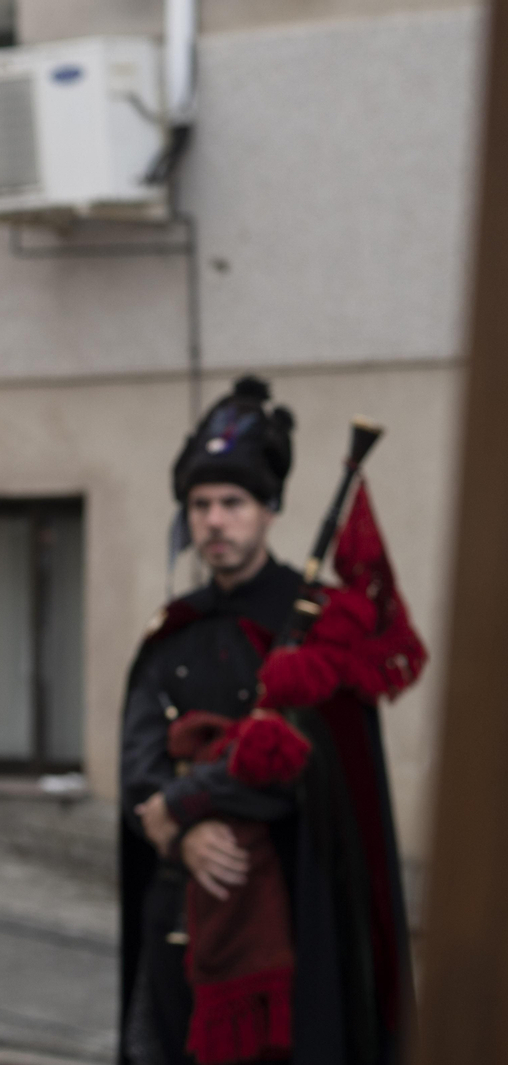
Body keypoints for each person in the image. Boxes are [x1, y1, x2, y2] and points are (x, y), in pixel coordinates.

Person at [119, 376, 423, 1065]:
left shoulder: (318, 624)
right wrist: (180, 831)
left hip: (295, 913)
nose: (215, 520)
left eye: (233, 503)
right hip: (180, 919)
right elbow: (138, 761)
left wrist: (186, 800)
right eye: (200, 505)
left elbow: (299, 763)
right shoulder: (173, 630)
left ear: (269, 511)